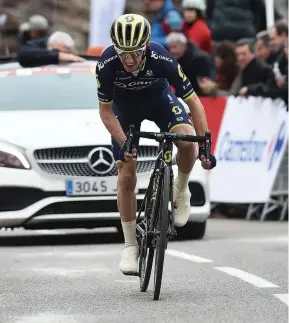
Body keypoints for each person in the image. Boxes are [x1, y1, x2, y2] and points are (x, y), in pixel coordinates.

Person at [96, 14, 216, 276]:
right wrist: (124, 141)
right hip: (125, 112)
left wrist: (205, 145)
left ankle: (180, 189)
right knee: (126, 175)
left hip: (160, 101)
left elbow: (194, 102)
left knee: (186, 140)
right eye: (123, 53)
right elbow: (105, 113)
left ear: (147, 46)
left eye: (135, 53)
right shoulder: (106, 63)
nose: (128, 60)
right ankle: (129, 245)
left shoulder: (161, 57)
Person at [18, 31, 84, 67]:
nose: (64, 56)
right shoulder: (30, 48)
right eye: (58, 51)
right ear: (48, 46)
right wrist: (58, 56)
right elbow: (23, 54)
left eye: (66, 54)